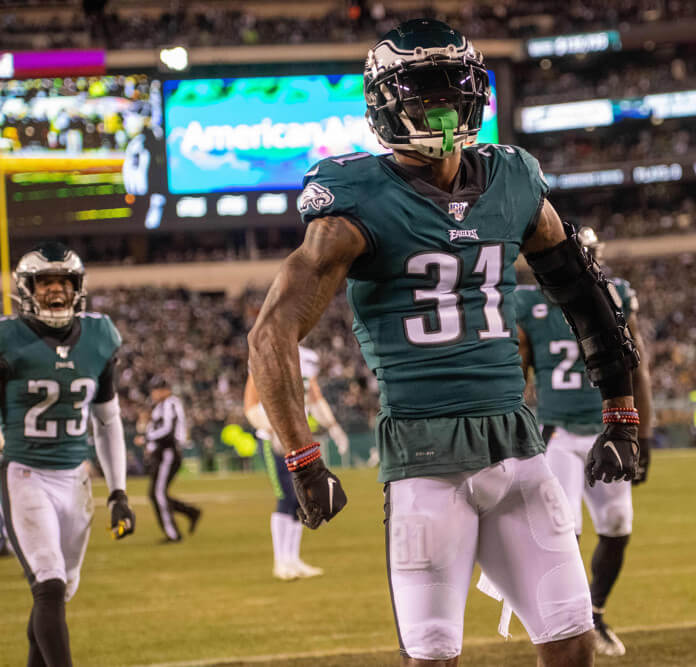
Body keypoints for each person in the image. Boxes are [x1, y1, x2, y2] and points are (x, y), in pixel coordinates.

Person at [248, 19, 640, 666]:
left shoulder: (512, 180)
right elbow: (271, 334)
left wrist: (620, 406)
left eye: (451, 85)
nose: (440, 104)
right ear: (384, 102)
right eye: (422, 89)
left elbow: (582, 289)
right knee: (433, 658)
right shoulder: (357, 200)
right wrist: (301, 458)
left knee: (572, 641)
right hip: (425, 454)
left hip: (517, 442)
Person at [513, 226, 654, 657]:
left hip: (607, 427)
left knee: (617, 526)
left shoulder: (615, 298)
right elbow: (520, 374)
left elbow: (638, 368)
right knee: (564, 530)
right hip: (558, 431)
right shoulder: (528, 305)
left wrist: (641, 434)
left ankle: (594, 613)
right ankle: (570, 622)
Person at [0, 241, 135, 666]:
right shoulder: (7, 339)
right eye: (45, 283)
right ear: (27, 289)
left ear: (77, 287)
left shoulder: (99, 335)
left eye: (63, 281)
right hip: (25, 473)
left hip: (75, 478)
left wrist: (118, 493)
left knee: (59, 589)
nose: (55, 291)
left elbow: (108, 420)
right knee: (49, 583)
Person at [244, 345, 349, 580]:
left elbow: (313, 397)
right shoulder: (266, 351)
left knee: (300, 499)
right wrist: (272, 428)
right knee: (287, 497)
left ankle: (292, 559)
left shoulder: (309, 356)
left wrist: (333, 426)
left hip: (297, 438)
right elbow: (250, 404)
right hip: (274, 437)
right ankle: (281, 561)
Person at [143, 376, 200, 542]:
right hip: (161, 452)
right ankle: (190, 512)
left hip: (168, 452)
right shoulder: (160, 406)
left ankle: (173, 534)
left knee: (158, 493)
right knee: (155, 494)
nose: (153, 394)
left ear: (164, 390)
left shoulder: (171, 403)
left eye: (156, 390)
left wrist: (147, 438)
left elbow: (168, 430)